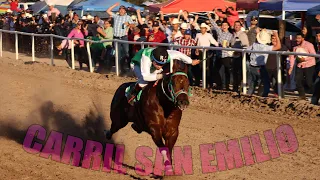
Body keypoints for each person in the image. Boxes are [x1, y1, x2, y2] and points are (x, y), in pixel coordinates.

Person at [126, 46, 201, 105]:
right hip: (137, 65)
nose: (160, 66)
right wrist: (162, 75)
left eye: (162, 64)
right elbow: (146, 76)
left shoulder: (168, 55)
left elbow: (179, 54)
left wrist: (191, 61)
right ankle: (131, 92)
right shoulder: (146, 58)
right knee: (144, 81)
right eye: (158, 64)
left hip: (152, 65)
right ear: (152, 59)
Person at [289, 32, 316, 101]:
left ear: (303, 38)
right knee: (297, 80)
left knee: (309, 82)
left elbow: (313, 55)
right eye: (296, 38)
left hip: (309, 65)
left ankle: (315, 96)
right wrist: (291, 67)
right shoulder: (295, 47)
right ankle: (302, 95)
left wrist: (305, 59)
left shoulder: (309, 45)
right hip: (300, 65)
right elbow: (292, 56)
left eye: (299, 38)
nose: (297, 40)